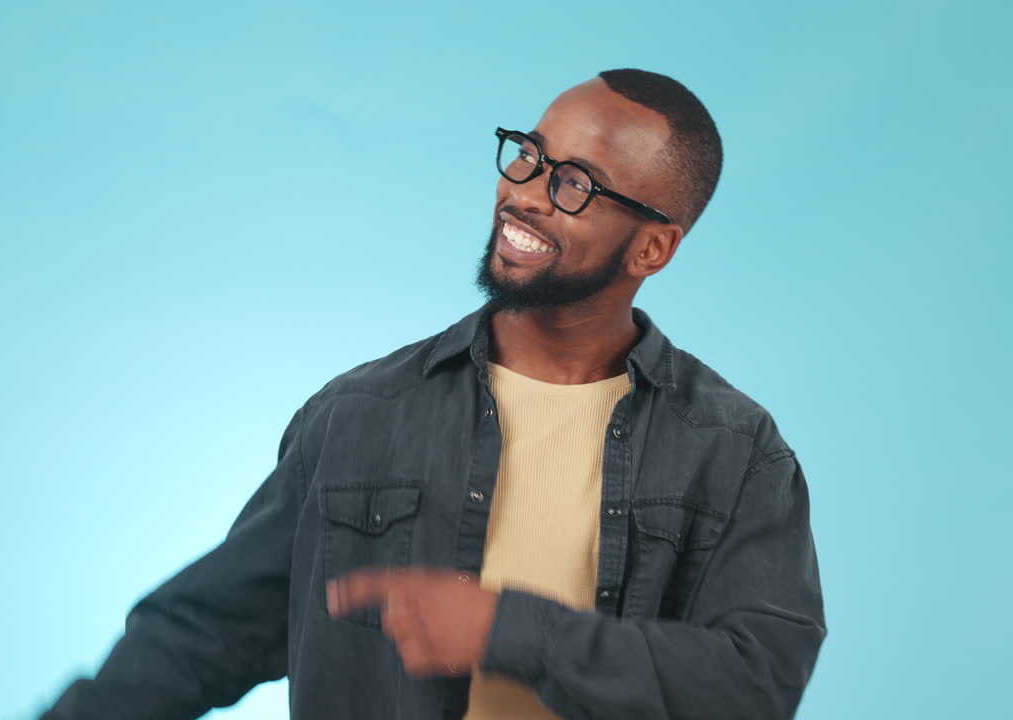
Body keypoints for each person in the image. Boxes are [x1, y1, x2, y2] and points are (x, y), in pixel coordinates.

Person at [41, 68, 826, 720]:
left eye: (576, 184)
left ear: (654, 246)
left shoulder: (732, 451)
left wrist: (508, 630)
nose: (525, 192)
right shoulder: (358, 417)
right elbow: (203, 635)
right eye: (529, 155)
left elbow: (754, 684)